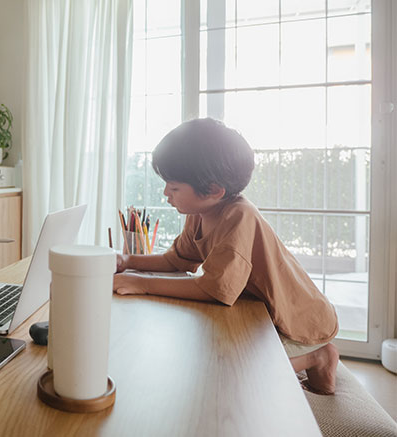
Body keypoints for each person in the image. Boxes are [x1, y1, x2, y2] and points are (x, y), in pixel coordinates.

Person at [113, 118, 340, 394]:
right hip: (257, 309)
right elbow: (176, 260)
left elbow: (216, 289)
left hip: (296, 321)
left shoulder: (239, 216)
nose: (165, 194)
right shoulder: (200, 212)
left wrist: (142, 284)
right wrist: (127, 262)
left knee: (229, 371)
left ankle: (318, 357)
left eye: (173, 188)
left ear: (213, 190)